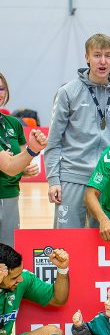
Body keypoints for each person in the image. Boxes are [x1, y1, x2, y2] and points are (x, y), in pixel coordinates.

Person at [45, 33, 110, 229]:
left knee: (102, 247)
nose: (102, 61)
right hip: (72, 178)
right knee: (66, 244)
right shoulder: (67, 92)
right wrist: (53, 180)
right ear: (87, 57)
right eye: (96, 55)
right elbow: (53, 142)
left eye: (108, 55)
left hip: (108, 182)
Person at [0, 73, 41, 246]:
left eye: (2, 88)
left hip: (11, 195)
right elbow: (9, 166)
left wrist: (24, 168)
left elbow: (19, 162)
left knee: (8, 257)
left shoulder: (13, 124)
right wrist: (32, 151)